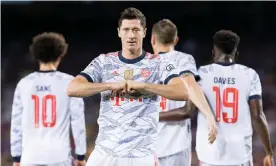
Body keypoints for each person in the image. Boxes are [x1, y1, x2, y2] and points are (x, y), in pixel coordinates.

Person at [67, 7, 216, 166]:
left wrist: (145, 86)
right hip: (106, 151)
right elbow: (72, 88)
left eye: (136, 30)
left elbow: (183, 91)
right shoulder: (103, 61)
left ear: (144, 32)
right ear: (119, 32)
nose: (131, 35)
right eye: (126, 30)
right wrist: (109, 85)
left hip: (141, 155)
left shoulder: (159, 63)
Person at [166, 30, 274, 166]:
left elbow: (187, 112)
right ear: (236, 54)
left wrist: (156, 115)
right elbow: (257, 116)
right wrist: (268, 151)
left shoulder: (201, 74)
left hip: (210, 156)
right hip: (240, 156)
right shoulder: (250, 75)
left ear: (213, 52)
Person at [10, 32, 87, 166]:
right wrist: (81, 155)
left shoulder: (24, 84)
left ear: (36, 55)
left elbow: (16, 124)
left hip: (30, 157)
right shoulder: (69, 82)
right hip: (59, 157)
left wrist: (16, 158)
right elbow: (78, 122)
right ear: (60, 54)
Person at [149, 19, 199, 166]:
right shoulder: (184, 60)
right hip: (177, 146)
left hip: (148, 149)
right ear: (176, 40)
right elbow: (189, 110)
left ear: (153, 39)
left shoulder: (142, 65)